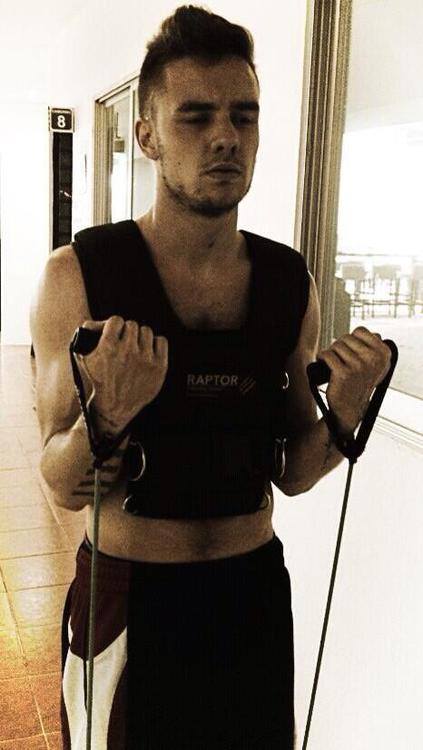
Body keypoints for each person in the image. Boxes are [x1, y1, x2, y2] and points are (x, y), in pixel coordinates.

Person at [30, 5, 392, 749]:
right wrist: (107, 414)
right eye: (195, 116)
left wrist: (345, 416)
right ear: (147, 136)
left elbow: (293, 471)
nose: (225, 137)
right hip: (131, 600)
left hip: (250, 593)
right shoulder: (79, 275)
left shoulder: (288, 282)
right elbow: (60, 482)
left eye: (243, 116)